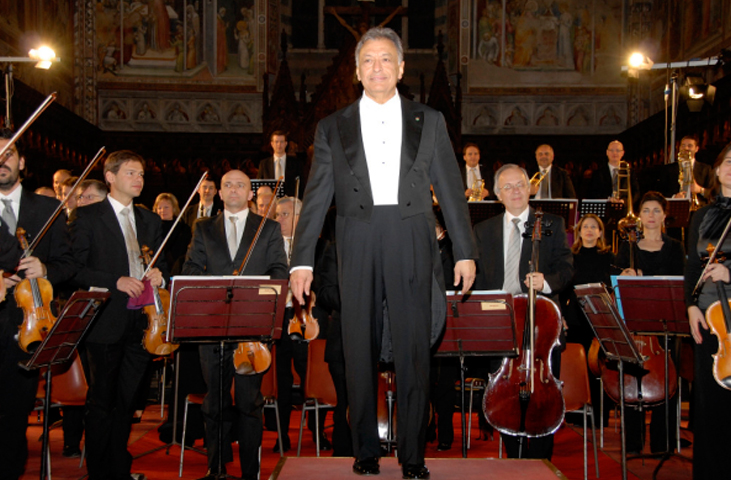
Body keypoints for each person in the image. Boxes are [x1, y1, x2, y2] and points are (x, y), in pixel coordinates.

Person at [290, 27, 477, 479]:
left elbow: (451, 191)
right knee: (358, 346)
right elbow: (315, 198)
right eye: (368, 60)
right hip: (355, 235)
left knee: (415, 348)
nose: (377, 67)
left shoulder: (429, 119)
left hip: (412, 234)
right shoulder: (332, 125)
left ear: (401, 68)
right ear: (356, 71)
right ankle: (365, 452)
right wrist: (301, 260)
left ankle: (413, 456)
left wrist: (465, 251)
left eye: (385, 59)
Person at [182, 169, 288, 480]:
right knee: (214, 403)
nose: (233, 190)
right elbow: (190, 268)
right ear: (218, 191)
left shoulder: (267, 228)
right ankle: (215, 470)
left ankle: (250, 474)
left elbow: (279, 270)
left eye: (240, 185)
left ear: (250, 193)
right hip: (213, 326)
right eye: (227, 185)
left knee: (248, 403)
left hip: (251, 327)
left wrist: (255, 295)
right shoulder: (203, 228)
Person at [69, 150, 167, 480]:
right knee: (101, 402)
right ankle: (99, 472)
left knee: (127, 402)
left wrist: (159, 274)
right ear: (110, 177)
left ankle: (119, 467)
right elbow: (76, 269)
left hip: (142, 322)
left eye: (141, 174)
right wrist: (115, 281)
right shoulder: (88, 216)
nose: (138, 179)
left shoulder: (151, 220)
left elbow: (160, 261)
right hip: (105, 321)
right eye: (130, 173)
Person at [473, 163, 573, 460]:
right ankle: (513, 463)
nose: (516, 191)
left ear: (530, 188)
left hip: (540, 323)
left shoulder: (551, 223)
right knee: (503, 394)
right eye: (508, 187)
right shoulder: (483, 230)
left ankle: (541, 462)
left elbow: (568, 268)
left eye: (520, 185)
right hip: (500, 320)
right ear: (497, 194)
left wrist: (546, 282)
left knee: (543, 397)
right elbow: (478, 280)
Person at [0, 131, 76, 480]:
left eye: (8, 152)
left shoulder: (48, 209)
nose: (2, 159)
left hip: (27, 327)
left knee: (15, 417)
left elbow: (67, 264)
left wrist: (47, 269)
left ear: (22, 162)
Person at [615, 191, 685, 454]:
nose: (651, 216)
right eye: (646, 211)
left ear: (665, 214)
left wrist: (650, 277)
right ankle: (632, 442)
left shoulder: (676, 247)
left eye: (657, 210)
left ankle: (662, 442)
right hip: (635, 325)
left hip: (666, 323)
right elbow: (617, 283)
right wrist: (624, 273)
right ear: (639, 216)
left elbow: (680, 282)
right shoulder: (628, 247)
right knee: (632, 381)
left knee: (667, 382)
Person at [685, 141, 731, 480]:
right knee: (708, 403)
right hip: (706, 316)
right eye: (727, 161)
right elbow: (691, 266)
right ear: (715, 170)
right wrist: (689, 305)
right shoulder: (700, 215)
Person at [153, 193, 192, 276]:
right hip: (158, 270)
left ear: (174, 208)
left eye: (166, 207)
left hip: (178, 269)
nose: (163, 210)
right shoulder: (153, 229)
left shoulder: (183, 228)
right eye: (159, 208)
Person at [257, 131, 305, 198]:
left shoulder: (296, 163)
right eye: (276, 142)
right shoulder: (264, 164)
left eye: (282, 142)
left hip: (290, 201)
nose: (279, 144)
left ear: (286, 143)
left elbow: (302, 184)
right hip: (270, 201)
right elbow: (260, 184)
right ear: (272, 144)